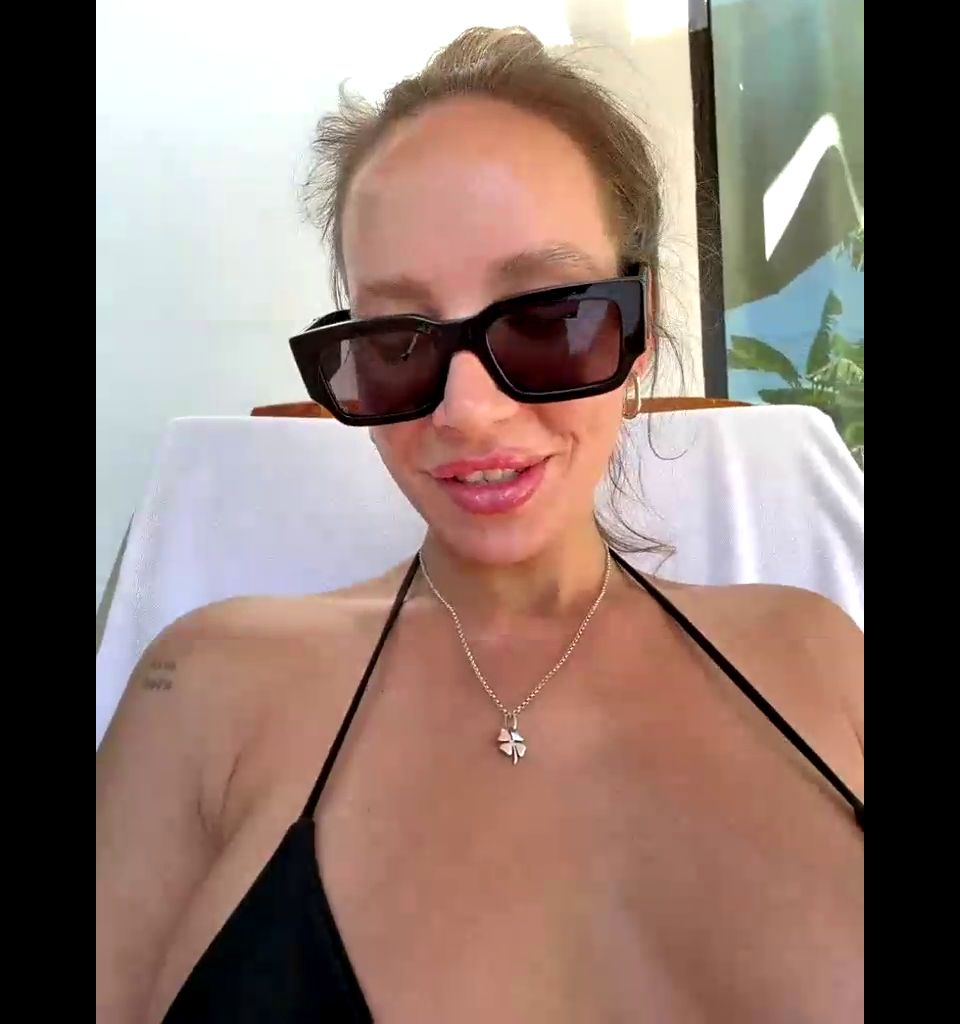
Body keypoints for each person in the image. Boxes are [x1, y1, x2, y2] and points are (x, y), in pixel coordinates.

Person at [96, 26, 864, 1024]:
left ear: (639, 330)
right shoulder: (199, 686)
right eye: (397, 342)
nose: (466, 412)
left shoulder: (821, 660)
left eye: (547, 320)